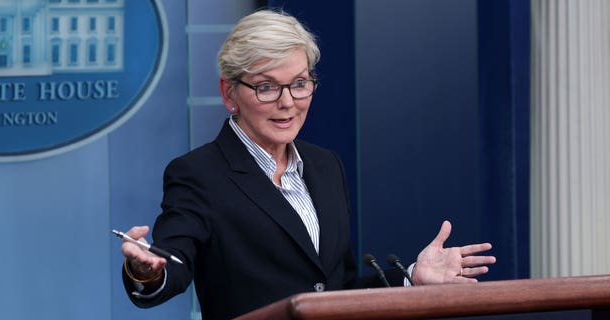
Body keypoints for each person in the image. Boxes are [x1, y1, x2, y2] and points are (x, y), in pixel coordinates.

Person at [120, 9, 496, 320]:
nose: (288, 102)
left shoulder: (324, 165)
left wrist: (412, 279)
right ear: (229, 92)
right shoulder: (199, 173)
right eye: (267, 87)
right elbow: (172, 265)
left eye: (300, 83)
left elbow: (337, 291)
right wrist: (147, 271)